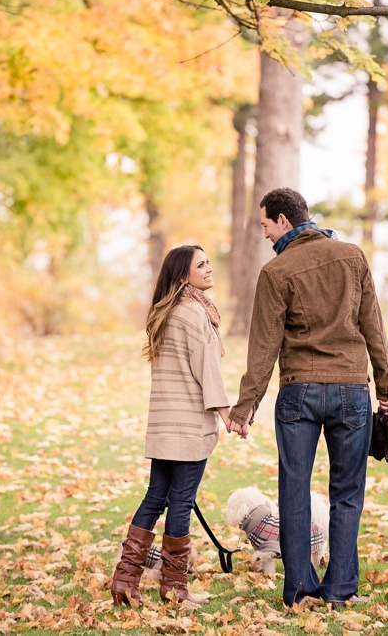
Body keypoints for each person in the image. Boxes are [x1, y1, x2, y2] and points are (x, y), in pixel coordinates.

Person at [227, 187, 388, 609]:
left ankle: (300, 590)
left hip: (299, 392)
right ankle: (340, 590)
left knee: (295, 491)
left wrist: (244, 408)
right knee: (347, 493)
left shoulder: (277, 272)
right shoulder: (353, 257)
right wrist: (386, 389)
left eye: (265, 223)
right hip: (351, 390)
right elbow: (373, 326)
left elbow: (263, 347)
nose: (264, 232)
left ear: (284, 220)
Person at [111, 245, 230, 607]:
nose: (209, 269)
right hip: (189, 425)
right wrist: (227, 415)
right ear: (183, 275)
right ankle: (175, 587)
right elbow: (206, 370)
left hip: (164, 424)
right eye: (201, 265)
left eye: (208, 262)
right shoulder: (194, 313)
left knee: (155, 497)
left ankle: (125, 581)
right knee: (180, 502)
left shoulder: (165, 313)